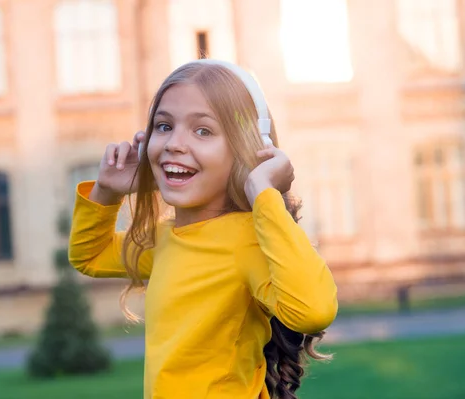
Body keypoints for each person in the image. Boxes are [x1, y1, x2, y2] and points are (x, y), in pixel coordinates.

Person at [68, 59, 338, 399]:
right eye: (164, 126)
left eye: (203, 131)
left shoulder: (248, 241)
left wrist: (264, 194)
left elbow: (313, 312)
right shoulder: (164, 240)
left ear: (247, 151)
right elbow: (89, 257)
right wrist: (108, 191)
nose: (174, 143)